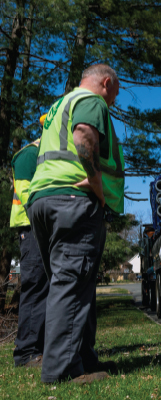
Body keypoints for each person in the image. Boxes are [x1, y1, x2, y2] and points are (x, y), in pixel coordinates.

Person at [26, 63, 125, 384]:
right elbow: (84, 136)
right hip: (72, 199)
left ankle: (82, 358)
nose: (111, 104)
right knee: (71, 281)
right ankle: (63, 371)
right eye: (113, 96)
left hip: (44, 199)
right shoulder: (91, 100)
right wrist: (95, 183)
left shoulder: (60, 104)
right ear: (106, 83)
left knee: (72, 282)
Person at [11, 117, 47, 368]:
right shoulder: (29, 155)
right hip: (30, 227)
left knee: (44, 288)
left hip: (42, 228)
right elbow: (27, 195)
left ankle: (39, 349)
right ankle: (25, 353)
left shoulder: (46, 157)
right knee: (34, 286)